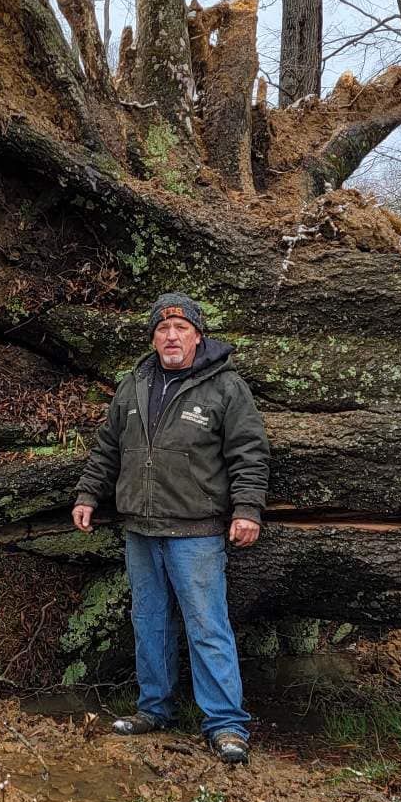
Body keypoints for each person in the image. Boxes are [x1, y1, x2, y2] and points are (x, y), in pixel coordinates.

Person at [71, 292, 268, 764]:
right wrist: (86, 495)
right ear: (154, 338)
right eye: (162, 329)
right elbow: (107, 448)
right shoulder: (134, 385)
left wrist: (247, 509)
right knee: (149, 622)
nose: (171, 336)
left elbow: (249, 451)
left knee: (207, 626)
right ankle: (153, 709)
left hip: (196, 531)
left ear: (198, 336)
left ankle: (225, 725)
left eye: (181, 328)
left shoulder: (225, 387)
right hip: (140, 528)